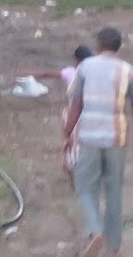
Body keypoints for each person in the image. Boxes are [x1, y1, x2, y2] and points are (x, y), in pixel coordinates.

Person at [61, 26, 133, 257]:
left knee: (85, 186)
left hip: (90, 137)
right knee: (114, 191)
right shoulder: (128, 71)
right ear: (118, 47)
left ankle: (95, 231)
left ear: (98, 44)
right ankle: (113, 248)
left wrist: (67, 134)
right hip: (116, 138)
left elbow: (76, 105)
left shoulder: (85, 67)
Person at [20, 45, 93, 187]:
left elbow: (47, 74)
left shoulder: (71, 72)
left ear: (76, 59)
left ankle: (73, 169)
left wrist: (28, 73)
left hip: (73, 112)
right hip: (91, 113)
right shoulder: (96, 75)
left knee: (71, 141)